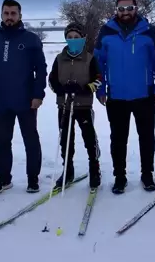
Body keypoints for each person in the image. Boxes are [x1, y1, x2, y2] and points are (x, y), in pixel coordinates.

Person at [94, 0, 155, 193]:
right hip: (116, 96)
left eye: (129, 8)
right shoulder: (106, 32)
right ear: (116, 10)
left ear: (136, 8)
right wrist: (100, 88)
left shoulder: (149, 31)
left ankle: (147, 175)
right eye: (121, 9)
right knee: (118, 138)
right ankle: (120, 176)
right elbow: (98, 62)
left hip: (144, 94)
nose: (125, 12)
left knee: (146, 137)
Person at [0, 0, 47, 194]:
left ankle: (33, 179)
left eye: (13, 13)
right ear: (1, 15)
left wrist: (38, 94)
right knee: (3, 140)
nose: (9, 17)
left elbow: (41, 70)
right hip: (0, 100)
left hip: (26, 100)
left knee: (30, 139)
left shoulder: (31, 39)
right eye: (6, 13)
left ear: (20, 16)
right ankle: (4, 178)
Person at [48, 22, 102, 189]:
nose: (73, 40)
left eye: (76, 37)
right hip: (64, 106)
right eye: (69, 37)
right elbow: (52, 80)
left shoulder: (90, 59)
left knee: (89, 139)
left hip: (83, 106)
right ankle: (68, 169)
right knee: (66, 140)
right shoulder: (59, 59)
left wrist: (84, 88)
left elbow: (98, 80)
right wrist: (60, 89)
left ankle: (94, 168)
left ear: (82, 39)